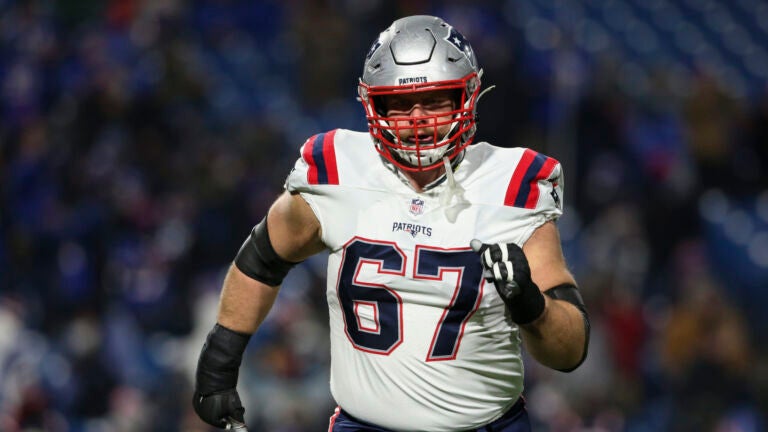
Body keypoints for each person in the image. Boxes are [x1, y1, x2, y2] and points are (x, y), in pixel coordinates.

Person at [192, 15, 590, 432]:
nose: (417, 119)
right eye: (398, 104)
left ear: (466, 97)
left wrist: (533, 306)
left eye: (435, 100)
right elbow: (262, 258)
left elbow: (571, 352)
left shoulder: (511, 184)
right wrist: (220, 360)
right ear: (372, 105)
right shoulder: (339, 169)